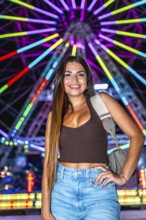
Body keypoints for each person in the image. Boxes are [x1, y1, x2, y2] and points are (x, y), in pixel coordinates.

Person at [41, 55, 144, 220]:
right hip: (62, 191)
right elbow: (49, 161)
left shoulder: (102, 101)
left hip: (99, 190)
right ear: (61, 80)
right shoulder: (55, 115)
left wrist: (123, 176)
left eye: (80, 74)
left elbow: (137, 136)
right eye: (68, 74)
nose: (74, 79)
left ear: (87, 79)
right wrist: (45, 210)